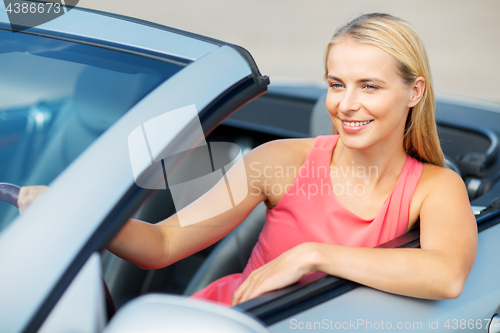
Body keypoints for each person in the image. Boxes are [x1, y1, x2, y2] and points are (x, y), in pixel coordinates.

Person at [18, 13, 477, 307]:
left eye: (369, 86)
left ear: (414, 91)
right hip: (236, 318)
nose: (346, 104)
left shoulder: (435, 187)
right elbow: (161, 246)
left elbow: (446, 275)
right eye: (337, 84)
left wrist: (313, 255)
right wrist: (75, 213)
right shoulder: (277, 162)